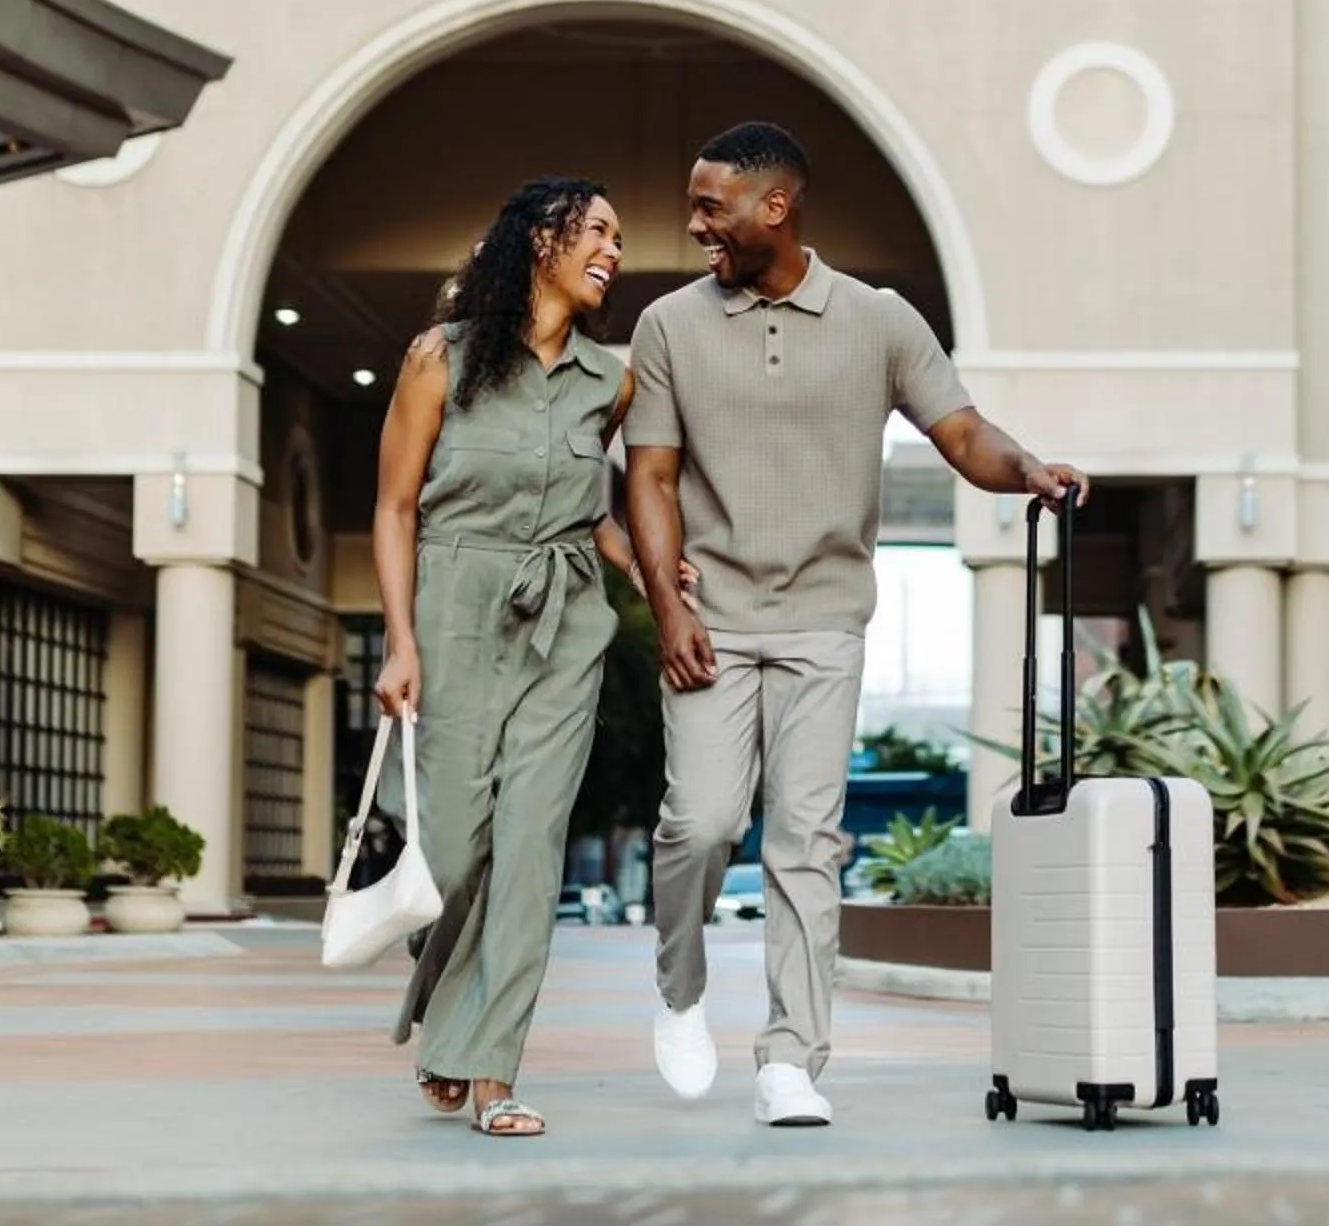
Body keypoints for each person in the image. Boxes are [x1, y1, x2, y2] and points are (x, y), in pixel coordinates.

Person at [624, 121, 1085, 1129]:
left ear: (775, 206)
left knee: (805, 840)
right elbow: (649, 477)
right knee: (700, 823)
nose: (694, 224)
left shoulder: (877, 320)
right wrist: (667, 606)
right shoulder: (668, 325)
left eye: (711, 206)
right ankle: (679, 986)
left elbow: (961, 430)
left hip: (826, 620)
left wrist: (1029, 470)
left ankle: (791, 1059)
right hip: (712, 617)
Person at [371, 175, 667, 1140]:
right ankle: (447, 1013)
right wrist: (401, 641)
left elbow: (592, 514)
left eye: (617, 239)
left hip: (564, 622)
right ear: (542, 239)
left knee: (532, 849)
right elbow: (396, 508)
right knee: (456, 851)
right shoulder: (439, 359)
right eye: (597, 232)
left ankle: (492, 1070)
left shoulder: (609, 382)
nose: (613, 251)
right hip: (455, 606)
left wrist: (651, 572)